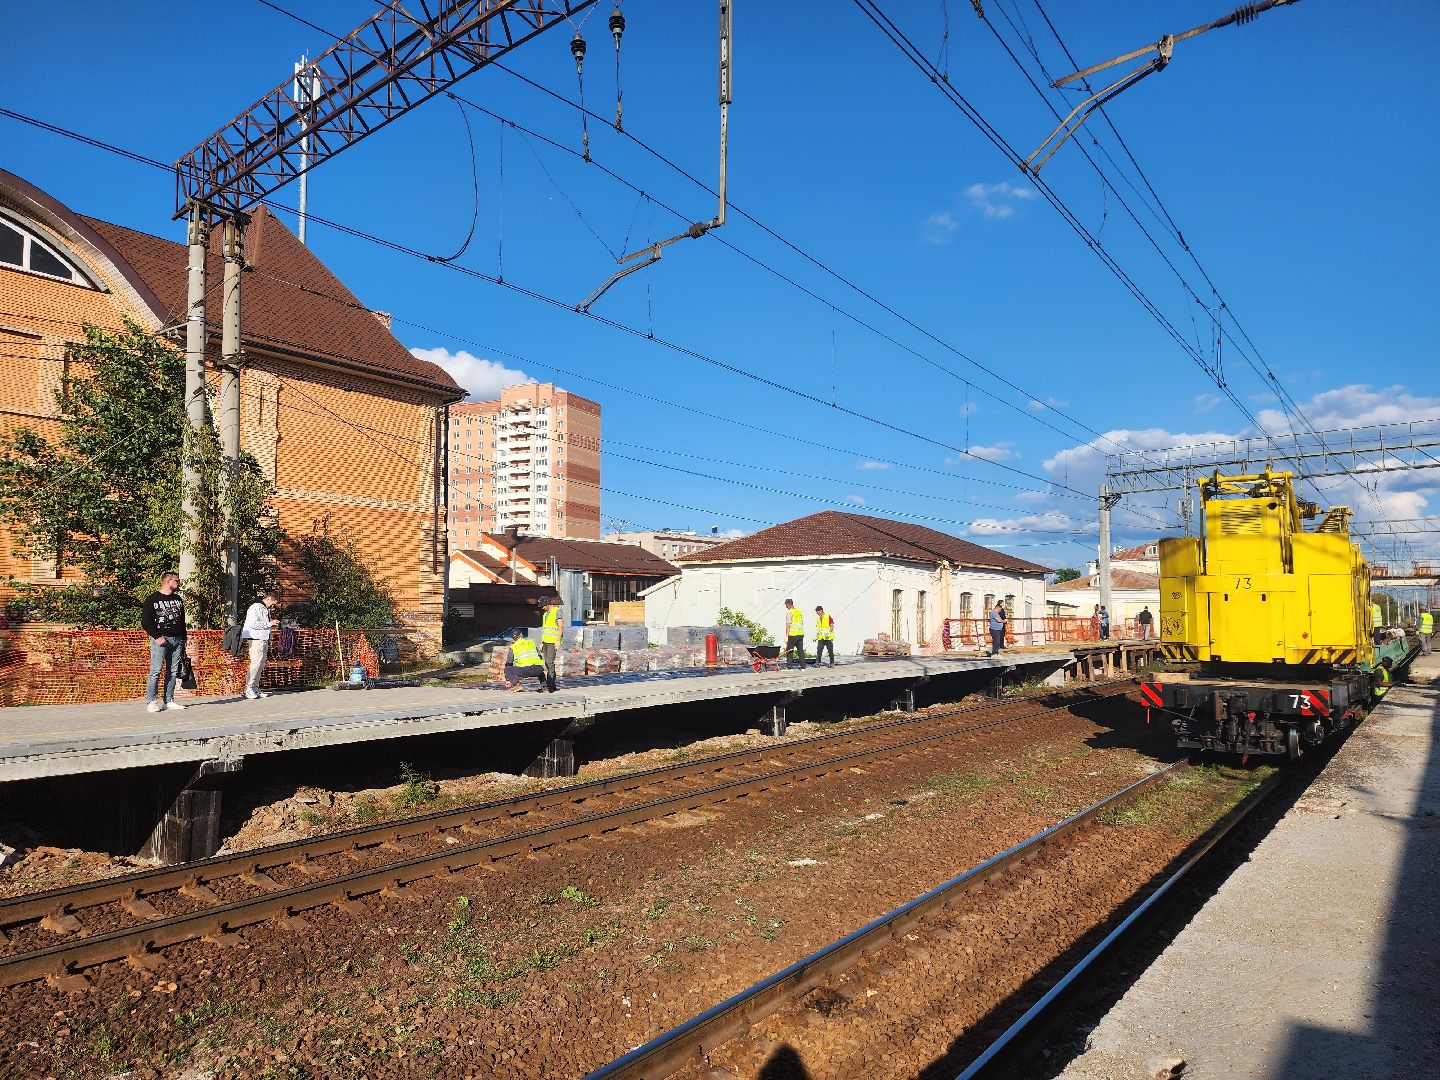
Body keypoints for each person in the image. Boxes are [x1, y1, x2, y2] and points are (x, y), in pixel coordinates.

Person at [141, 570, 188, 713]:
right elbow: (146, 622)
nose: (178, 583)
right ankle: (152, 701)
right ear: (168, 581)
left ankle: (169, 700)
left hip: (177, 640)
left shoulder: (178, 599)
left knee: (173, 671)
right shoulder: (152, 599)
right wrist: (157, 636)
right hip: (161, 640)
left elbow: (182, 621)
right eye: (176, 581)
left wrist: (184, 638)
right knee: (155, 671)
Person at [240, 592, 278, 700]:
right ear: (269, 599)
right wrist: (269, 624)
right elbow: (253, 624)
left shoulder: (263, 608)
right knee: (255, 664)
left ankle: (255, 687)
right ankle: (248, 689)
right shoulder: (255, 607)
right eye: (273, 603)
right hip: (256, 639)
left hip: (262, 639)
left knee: (260, 664)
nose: (272, 606)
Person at [540, 594, 562, 693]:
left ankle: (550, 685)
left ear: (547, 604)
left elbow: (560, 627)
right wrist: (542, 642)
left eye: (542, 605)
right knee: (546, 663)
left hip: (553, 642)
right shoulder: (545, 614)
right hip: (545, 641)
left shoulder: (557, 611)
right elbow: (545, 630)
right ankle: (552, 685)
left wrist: (558, 640)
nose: (541, 608)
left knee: (550, 663)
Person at [782, 598, 805, 669]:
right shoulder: (799, 612)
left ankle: (789, 666)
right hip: (800, 634)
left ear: (788, 605)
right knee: (800, 650)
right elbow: (801, 623)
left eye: (786, 605)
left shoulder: (790, 613)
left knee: (789, 650)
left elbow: (788, 625)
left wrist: (786, 636)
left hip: (793, 634)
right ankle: (803, 666)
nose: (786, 606)